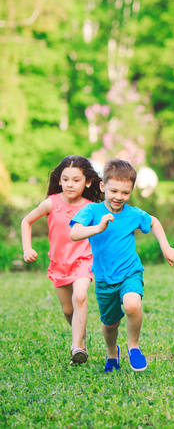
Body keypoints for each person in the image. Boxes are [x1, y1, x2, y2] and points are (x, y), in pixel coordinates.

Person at [70, 158, 174, 372]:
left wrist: (166, 247)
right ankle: (111, 353)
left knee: (132, 304)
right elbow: (74, 232)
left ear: (132, 191)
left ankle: (133, 346)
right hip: (104, 278)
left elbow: (153, 221)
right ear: (103, 186)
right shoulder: (92, 212)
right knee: (110, 324)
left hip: (129, 272)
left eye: (125, 193)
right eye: (114, 191)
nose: (119, 197)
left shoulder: (132, 214)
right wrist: (98, 227)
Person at [21, 155, 103, 365]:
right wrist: (27, 248)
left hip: (84, 260)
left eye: (76, 180)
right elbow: (26, 221)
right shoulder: (51, 203)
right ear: (59, 180)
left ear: (87, 182)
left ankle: (76, 347)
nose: (70, 184)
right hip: (59, 263)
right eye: (65, 179)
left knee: (80, 296)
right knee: (68, 310)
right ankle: (81, 340)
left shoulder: (91, 207)